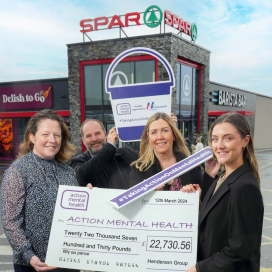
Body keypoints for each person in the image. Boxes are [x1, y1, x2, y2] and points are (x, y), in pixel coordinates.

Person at [181, 112, 264, 272]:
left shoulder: (245, 186)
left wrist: (200, 268)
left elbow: (240, 250)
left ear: (245, 141)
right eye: (215, 139)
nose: (219, 145)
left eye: (228, 138)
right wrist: (199, 203)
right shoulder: (222, 177)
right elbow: (217, 223)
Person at [0, 109, 78, 272]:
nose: (52, 140)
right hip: (34, 264)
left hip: (67, 260)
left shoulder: (69, 172)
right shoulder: (18, 171)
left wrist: (89, 197)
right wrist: (29, 255)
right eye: (45, 134)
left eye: (57, 135)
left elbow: (77, 214)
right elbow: (10, 220)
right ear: (32, 137)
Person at [69, 114, 178, 189]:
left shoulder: (126, 154)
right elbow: (82, 176)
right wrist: (109, 146)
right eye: (88, 136)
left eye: (97, 133)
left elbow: (153, 158)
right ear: (83, 141)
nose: (94, 139)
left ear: (105, 134)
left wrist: (166, 131)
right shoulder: (77, 163)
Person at [129, 112, 203, 190]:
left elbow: (203, 200)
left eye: (164, 131)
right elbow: (133, 202)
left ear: (173, 134)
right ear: (149, 137)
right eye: (154, 132)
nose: (160, 137)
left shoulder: (192, 167)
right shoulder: (138, 170)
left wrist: (196, 199)